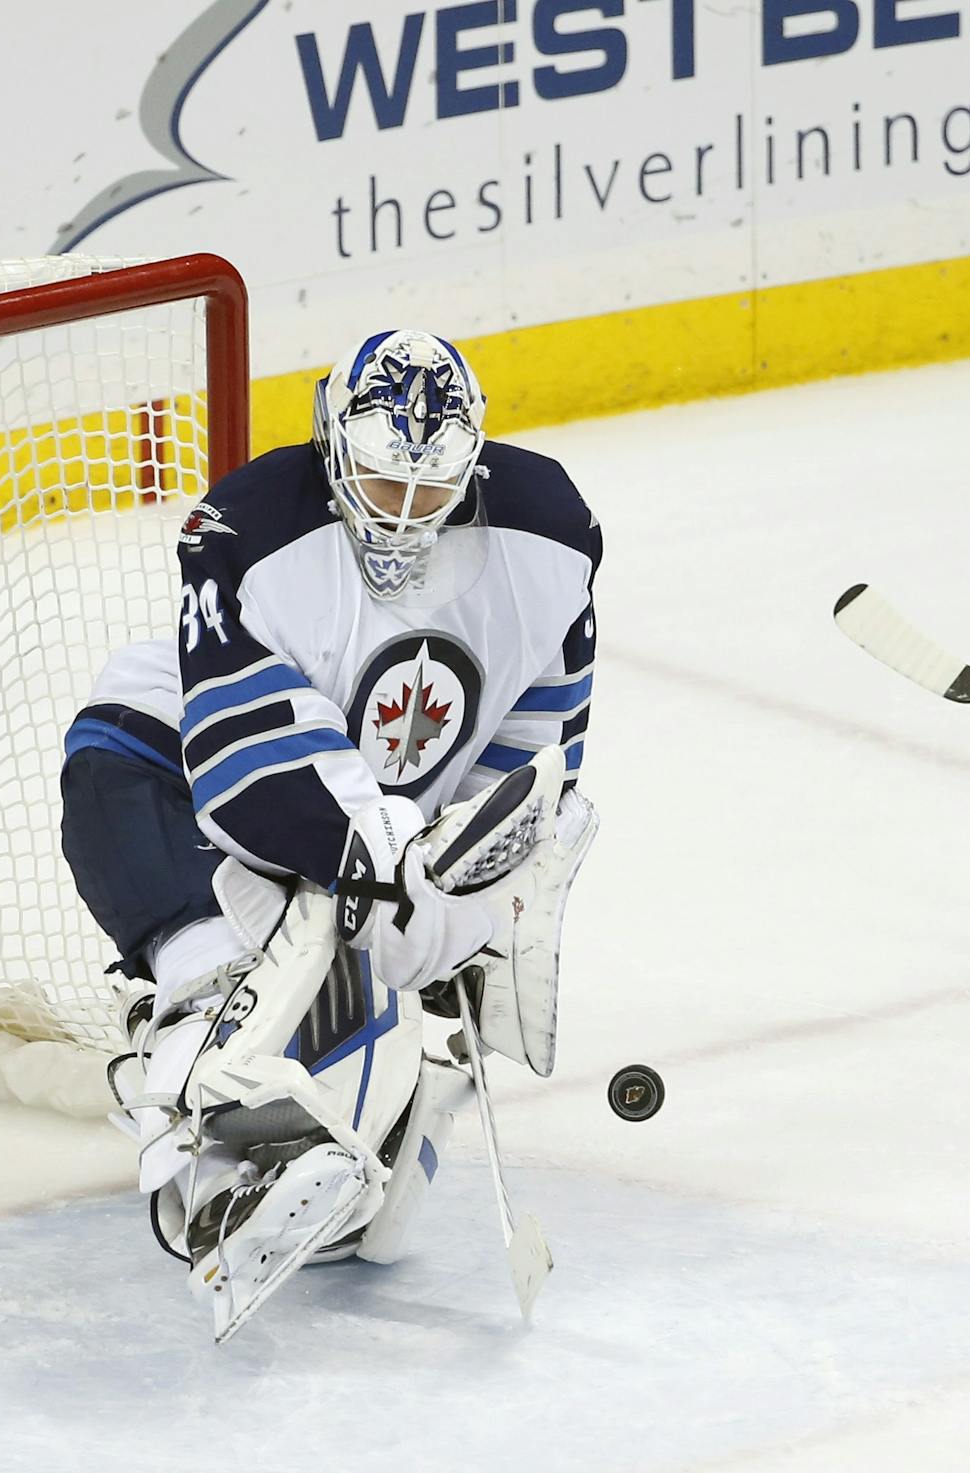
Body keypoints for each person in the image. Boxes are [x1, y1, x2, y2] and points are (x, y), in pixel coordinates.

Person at [58, 329, 602, 1340]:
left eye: (428, 492)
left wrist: (477, 901)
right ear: (331, 448)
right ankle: (200, 1131)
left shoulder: (551, 539)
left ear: (471, 467)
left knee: (371, 1234)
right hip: (179, 784)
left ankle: (396, 1090)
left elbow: (533, 753)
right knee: (213, 1010)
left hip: (364, 841)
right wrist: (390, 859)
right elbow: (251, 767)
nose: (401, 513)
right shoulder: (249, 530)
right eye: (380, 482)